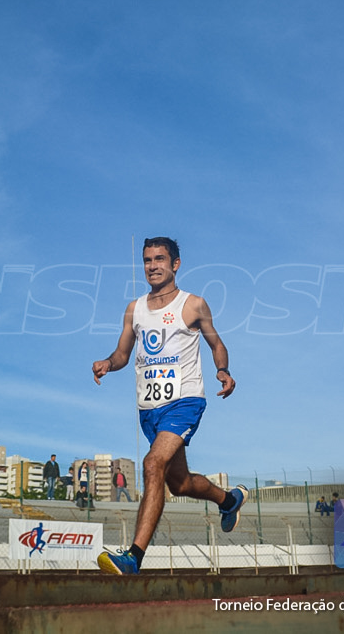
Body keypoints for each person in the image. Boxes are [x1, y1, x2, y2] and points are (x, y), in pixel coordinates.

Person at [92, 237, 244, 575]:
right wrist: (107, 362)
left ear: (175, 264)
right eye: (147, 260)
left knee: (151, 464)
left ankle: (133, 557)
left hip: (184, 401)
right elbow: (122, 354)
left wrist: (223, 370)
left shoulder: (193, 305)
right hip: (149, 409)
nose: (152, 266)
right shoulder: (135, 309)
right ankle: (229, 500)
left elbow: (216, 343)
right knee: (179, 483)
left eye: (160, 259)